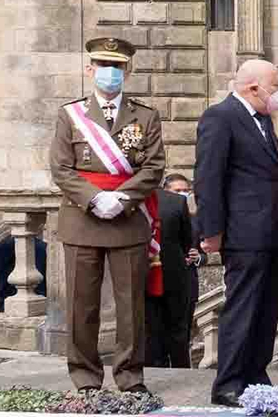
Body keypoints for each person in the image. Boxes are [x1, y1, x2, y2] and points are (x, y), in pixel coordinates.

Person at [48, 37, 166, 393]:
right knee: (81, 305)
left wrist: (123, 198)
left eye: (116, 67)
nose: (109, 73)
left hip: (127, 220)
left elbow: (155, 166)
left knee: (131, 306)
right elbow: (61, 168)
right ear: (90, 70)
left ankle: (130, 376)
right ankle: (85, 376)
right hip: (83, 219)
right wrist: (96, 198)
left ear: (127, 71)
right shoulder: (70, 115)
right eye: (103, 66)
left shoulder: (146, 116)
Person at [195, 60, 278, 407]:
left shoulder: (262, 120)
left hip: (270, 231)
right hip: (243, 232)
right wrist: (211, 230)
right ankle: (229, 382)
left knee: (267, 307)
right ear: (254, 88)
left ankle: (255, 374)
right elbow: (208, 177)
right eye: (276, 85)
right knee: (244, 305)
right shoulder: (221, 117)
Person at [145, 174, 199, 368]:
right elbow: (186, 240)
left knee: (150, 330)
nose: (183, 194)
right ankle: (178, 369)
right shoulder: (176, 203)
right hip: (174, 273)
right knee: (176, 330)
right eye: (179, 191)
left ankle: (153, 366)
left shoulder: (132, 199)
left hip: (144, 273)